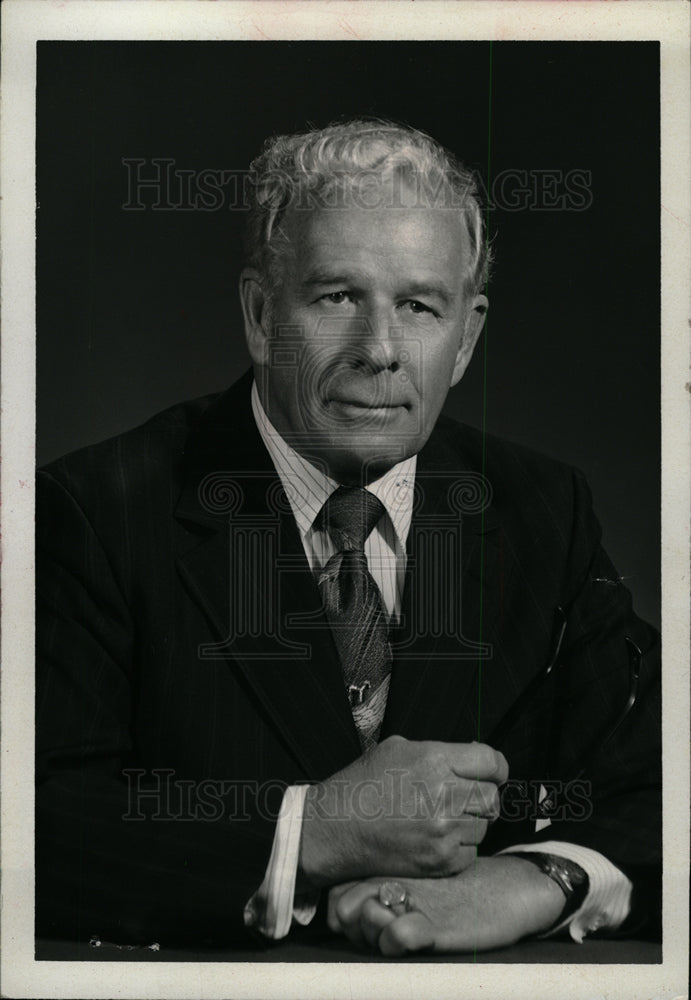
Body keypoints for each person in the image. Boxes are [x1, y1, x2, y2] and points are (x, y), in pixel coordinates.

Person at [36, 119, 661, 957]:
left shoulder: (542, 508)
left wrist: (525, 883)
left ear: (466, 335)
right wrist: (314, 834)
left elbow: (663, 781)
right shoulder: (95, 510)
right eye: (336, 297)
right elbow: (33, 822)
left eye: (417, 306)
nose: (379, 350)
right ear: (260, 316)